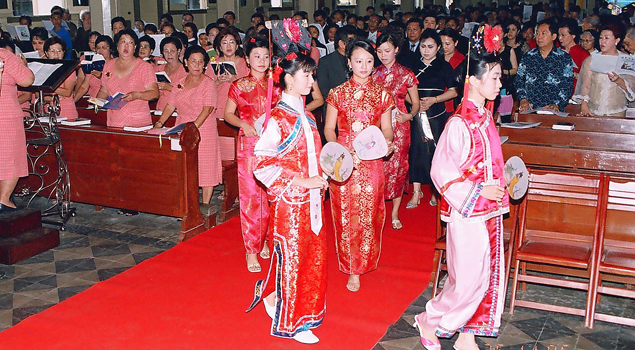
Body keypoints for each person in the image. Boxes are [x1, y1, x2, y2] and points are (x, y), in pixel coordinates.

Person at [413, 51, 509, 350]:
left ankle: (467, 334)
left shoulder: (484, 117)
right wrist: (479, 191)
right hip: (467, 210)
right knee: (466, 279)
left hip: (488, 210)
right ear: (474, 81)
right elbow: (441, 171)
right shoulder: (461, 122)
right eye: (494, 77)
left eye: (500, 76)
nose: (499, 82)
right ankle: (429, 321)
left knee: (486, 274)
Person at [248, 53, 328, 345]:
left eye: (312, 75)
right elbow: (262, 164)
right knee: (294, 259)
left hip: (313, 201)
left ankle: (286, 304)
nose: (311, 81)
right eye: (306, 75)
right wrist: (301, 181)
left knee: (313, 258)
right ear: (288, 79)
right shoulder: (278, 119)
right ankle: (293, 322)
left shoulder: (306, 114)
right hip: (290, 204)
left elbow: (313, 156)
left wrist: (324, 174)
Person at [325, 39, 394, 292]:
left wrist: (387, 141)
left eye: (368, 61)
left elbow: (387, 127)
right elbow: (329, 129)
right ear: (349, 62)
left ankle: (363, 262)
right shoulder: (337, 93)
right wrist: (337, 151)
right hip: (343, 161)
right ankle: (351, 267)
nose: (363, 66)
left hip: (372, 160)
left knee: (369, 213)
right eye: (358, 61)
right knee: (345, 214)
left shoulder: (383, 94)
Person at [224, 36, 281, 273]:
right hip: (249, 145)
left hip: (274, 146)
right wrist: (243, 125)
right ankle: (252, 250)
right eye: (256, 56)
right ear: (247, 59)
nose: (261, 61)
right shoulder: (238, 85)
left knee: (272, 196)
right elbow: (228, 114)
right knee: (250, 198)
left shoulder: (277, 85)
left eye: (265, 57)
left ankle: (268, 239)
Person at [153, 46, 221, 203]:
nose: (196, 65)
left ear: (204, 64)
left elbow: (207, 109)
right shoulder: (180, 83)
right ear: (186, 62)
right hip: (182, 127)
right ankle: (187, 205)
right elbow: (170, 105)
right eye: (193, 61)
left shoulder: (208, 83)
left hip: (203, 129)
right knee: (184, 167)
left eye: (200, 62)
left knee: (205, 168)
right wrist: (160, 122)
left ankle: (204, 206)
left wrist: (193, 128)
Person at [372, 32, 419, 230]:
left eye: (388, 51)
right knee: (379, 169)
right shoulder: (373, 73)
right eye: (380, 51)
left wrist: (409, 116)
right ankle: (378, 211)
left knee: (398, 169)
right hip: (376, 126)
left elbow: (415, 104)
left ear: (397, 50)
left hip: (400, 127)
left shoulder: (407, 74)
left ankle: (394, 214)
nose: (383, 55)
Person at [408, 29, 458, 209]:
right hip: (416, 112)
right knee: (415, 150)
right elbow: (402, 90)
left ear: (438, 48)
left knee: (436, 152)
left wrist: (434, 100)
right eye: (423, 46)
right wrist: (415, 103)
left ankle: (436, 191)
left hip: (436, 114)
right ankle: (416, 191)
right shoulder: (412, 65)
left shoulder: (444, 66)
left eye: (430, 47)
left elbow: (454, 91)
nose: (426, 50)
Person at [97, 29, 159, 127]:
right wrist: (98, 101)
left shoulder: (144, 67)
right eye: (123, 42)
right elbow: (104, 90)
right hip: (114, 122)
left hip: (137, 123)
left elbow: (154, 93)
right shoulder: (108, 65)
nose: (126, 45)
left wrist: (137, 95)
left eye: (130, 42)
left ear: (135, 47)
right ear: (117, 46)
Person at [0, 48, 35, 212]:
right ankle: (4, 199)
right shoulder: (5, 55)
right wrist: (24, 66)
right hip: (5, 114)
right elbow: (27, 80)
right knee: (11, 157)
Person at [575, 23, 635, 117]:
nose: (602, 41)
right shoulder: (592, 59)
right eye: (600, 38)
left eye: (606, 38)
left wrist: (618, 80)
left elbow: (632, 87)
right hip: (593, 111)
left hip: (615, 111)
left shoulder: (625, 60)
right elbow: (586, 85)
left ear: (616, 40)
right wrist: (584, 105)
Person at [515, 20, 574, 113]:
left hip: (553, 110)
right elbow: (519, 81)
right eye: (537, 33)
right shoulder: (528, 56)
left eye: (543, 34)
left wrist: (557, 104)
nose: (539, 37)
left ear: (553, 36)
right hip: (530, 108)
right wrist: (523, 99)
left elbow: (567, 85)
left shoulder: (563, 58)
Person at [208, 27, 248, 120]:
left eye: (232, 42)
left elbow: (249, 89)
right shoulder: (213, 63)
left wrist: (234, 80)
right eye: (224, 43)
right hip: (218, 108)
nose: (228, 46)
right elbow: (205, 88)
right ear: (220, 47)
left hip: (239, 109)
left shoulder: (245, 63)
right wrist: (217, 82)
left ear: (237, 46)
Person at [42, 37, 77, 120]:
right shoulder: (42, 69)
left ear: (64, 52)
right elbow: (38, 95)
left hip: (67, 111)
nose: (56, 54)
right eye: (52, 51)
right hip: (48, 111)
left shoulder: (69, 69)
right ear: (46, 53)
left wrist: (46, 86)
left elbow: (67, 92)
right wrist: (53, 98)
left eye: (59, 51)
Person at [155, 37, 186, 111]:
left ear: (178, 51)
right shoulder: (157, 69)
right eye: (166, 51)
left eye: (172, 51)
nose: (169, 54)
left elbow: (187, 93)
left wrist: (169, 88)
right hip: (160, 108)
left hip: (177, 109)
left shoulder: (185, 70)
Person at [440, 28, 466, 111]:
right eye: (441, 43)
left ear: (456, 43)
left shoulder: (462, 61)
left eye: (447, 44)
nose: (444, 47)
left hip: (454, 103)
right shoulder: (436, 58)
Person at [559, 18, 589, 84]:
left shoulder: (583, 54)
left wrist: (574, 74)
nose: (560, 38)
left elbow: (588, 79)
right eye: (559, 35)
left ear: (573, 36)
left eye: (563, 35)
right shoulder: (558, 51)